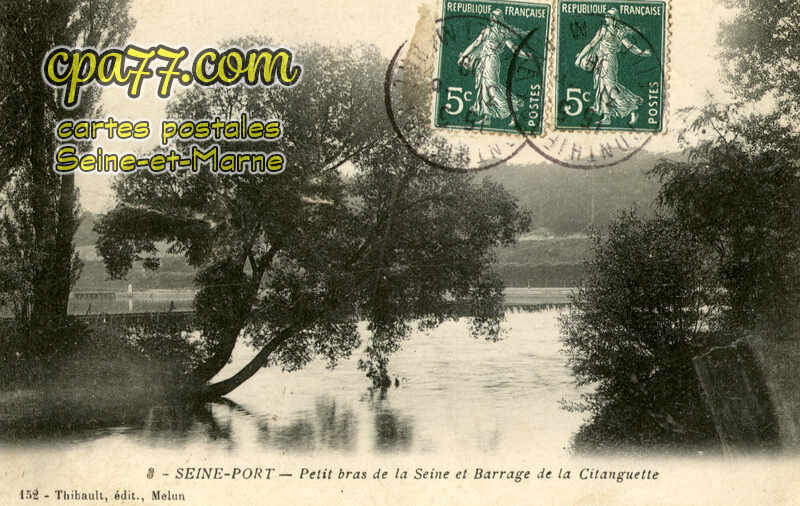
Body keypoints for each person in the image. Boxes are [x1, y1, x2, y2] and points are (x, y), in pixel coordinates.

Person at [575, 8, 651, 126]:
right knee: (602, 89)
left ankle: (633, 109)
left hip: (609, 61)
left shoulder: (618, 31)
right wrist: (580, 57)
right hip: (601, 61)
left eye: (608, 16)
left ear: (613, 18)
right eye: (606, 16)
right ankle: (607, 117)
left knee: (610, 88)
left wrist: (641, 53)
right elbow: (592, 44)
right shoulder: (604, 29)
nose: (606, 18)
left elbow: (629, 45)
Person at [457, 9, 531, 127]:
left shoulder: (503, 33)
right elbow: (475, 44)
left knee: (493, 89)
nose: (494, 20)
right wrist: (463, 56)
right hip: (483, 61)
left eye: (496, 18)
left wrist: (525, 55)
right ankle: (487, 118)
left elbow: (513, 48)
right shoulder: (487, 31)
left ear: (499, 19)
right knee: (484, 90)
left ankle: (515, 112)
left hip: (492, 61)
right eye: (493, 17)